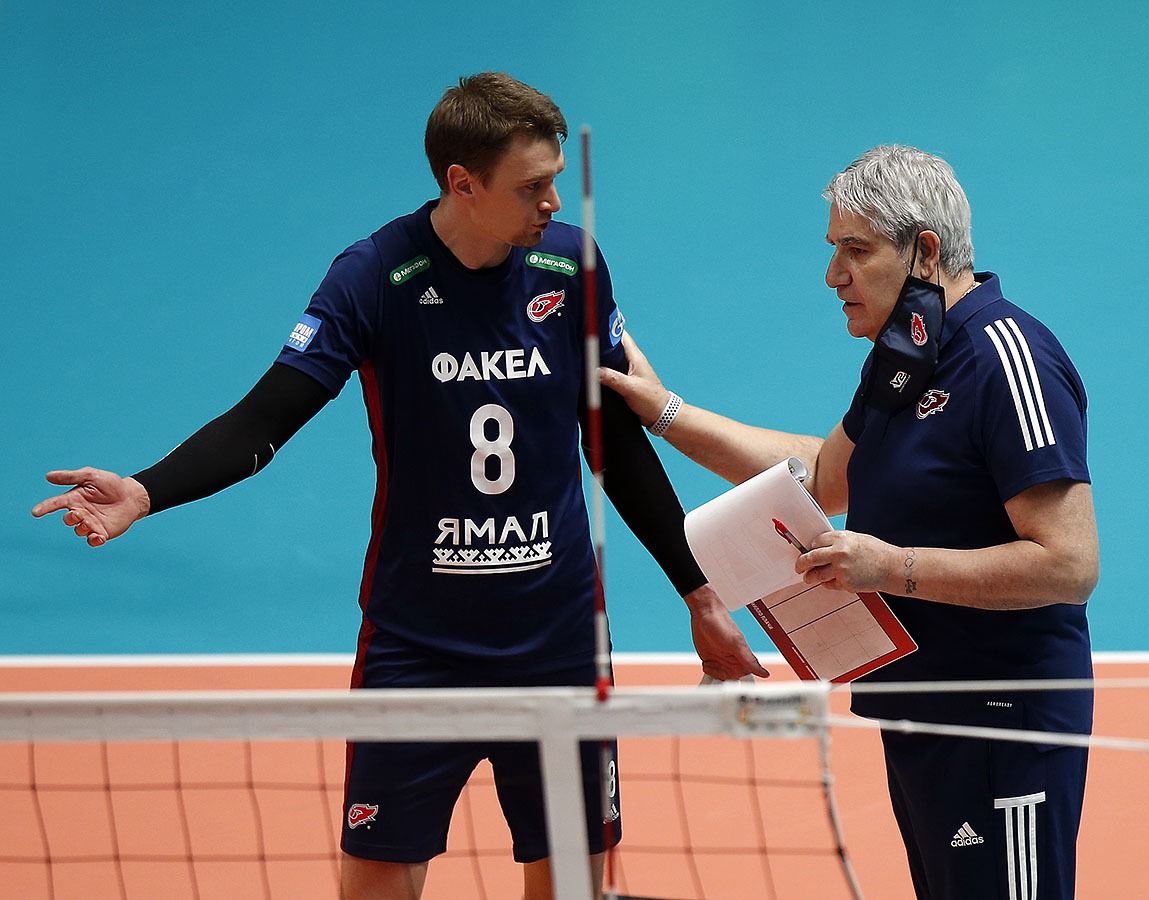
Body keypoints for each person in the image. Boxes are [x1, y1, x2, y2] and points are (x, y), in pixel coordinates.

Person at [31, 72, 766, 900]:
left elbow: (616, 444)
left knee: (572, 886)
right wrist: (146, 490)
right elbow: (264, 419)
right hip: (419, 648)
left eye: (556, 180)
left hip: (559, 640)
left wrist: (700, 595)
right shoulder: (374, 277)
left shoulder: (571, 265)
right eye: (531, 186)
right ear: (462, 182)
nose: (553, 202)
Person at [599, 144, 1098, 899]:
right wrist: (666, 412)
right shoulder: (907, 354)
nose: (833, 275)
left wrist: (889, 567)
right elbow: (826, 473)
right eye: (834, 249)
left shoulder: (1007, 359)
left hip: (1001, 724)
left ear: (924, 251)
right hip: (924, 712)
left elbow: (1069, 564)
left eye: (856, 251)